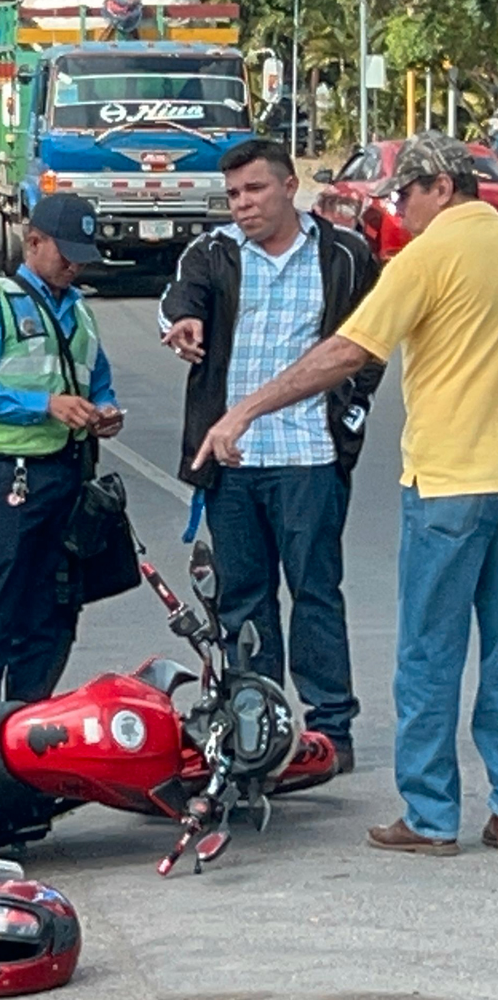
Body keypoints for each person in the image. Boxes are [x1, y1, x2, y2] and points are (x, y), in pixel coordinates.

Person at [193, 131, 498, 857]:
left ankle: (430, 817)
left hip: (451, 482)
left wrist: (244, 409)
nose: (400, 210)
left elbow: (347, 351)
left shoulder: (429, 256)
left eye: (406, 195)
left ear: (440, 189)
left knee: (428, 650)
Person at [159, 139, 382, 774]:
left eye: (254, 190)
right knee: (243, 599)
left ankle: (331, 730)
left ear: (289, 186)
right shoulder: (214, 251)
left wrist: (352, 410)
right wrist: (182, 324)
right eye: (232, 194)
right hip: (233, 458)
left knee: (316, 592)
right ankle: (260, 727)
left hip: (310, 455)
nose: (243, 205)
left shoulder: (343, 252)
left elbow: (372, 340)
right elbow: (181, 300)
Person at [0, 193, 124, 702]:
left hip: (70, 477)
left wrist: (105, 411)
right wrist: (45, 404)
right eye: (65, 254)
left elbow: (101, 381)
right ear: (33, 243)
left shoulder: (81, 311)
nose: (74, 265)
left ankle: (29, 719)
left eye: (81, 256)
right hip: (14, 478)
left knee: (56, 610)